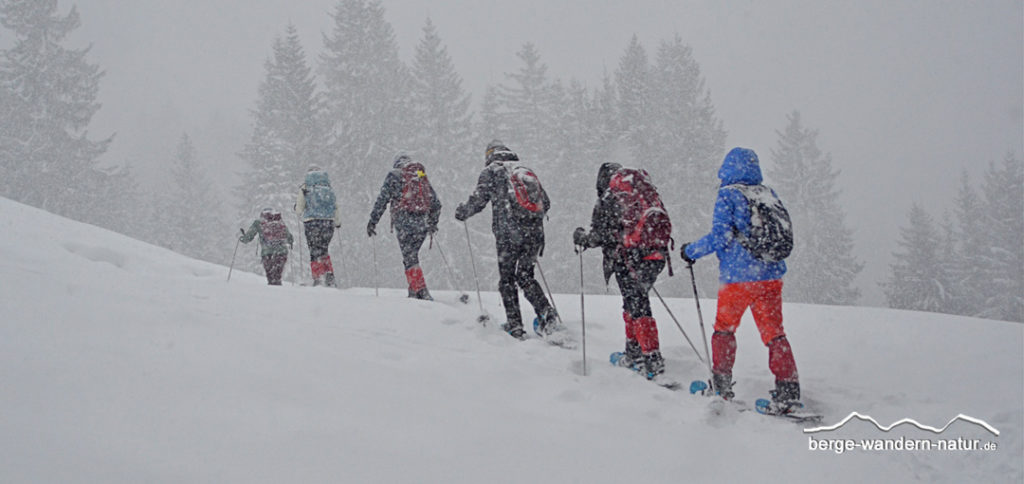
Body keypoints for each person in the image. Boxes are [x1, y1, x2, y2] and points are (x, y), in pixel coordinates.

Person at [680, 147, 801, 409]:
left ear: (727, 167)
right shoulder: (767, 193)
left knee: (724, 328)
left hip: (738, 278)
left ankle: (721, 386)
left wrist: (690, 251)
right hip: (771, 275)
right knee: (774, 333)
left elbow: (720, 237)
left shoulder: (728, 195)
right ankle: (788, 389)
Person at [574, 163, 670, 379]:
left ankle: (650, 357)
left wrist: (582, 238)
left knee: (636, 304)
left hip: (629, 258)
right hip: (655, 255)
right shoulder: (643, 193)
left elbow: (599, 236)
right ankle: (636, 350)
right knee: (636, 301)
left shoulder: (609, 197)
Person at [454, 140, 558, 340]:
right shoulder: (523, 170)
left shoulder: (492, 171)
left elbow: (479, 199)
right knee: (526, 276)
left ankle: (515, 325)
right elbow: (547, 203)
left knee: (507, 280)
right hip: (534, 234)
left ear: (489, 156)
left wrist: (463, 212)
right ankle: (547, 314)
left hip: (508, 236)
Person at [367, 153, 442, 300]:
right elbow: (436, 203)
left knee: (410, 257)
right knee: (411, 256)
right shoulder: (419, 175)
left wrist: (373, 221)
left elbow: (382, 200)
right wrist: (432, 223)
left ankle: (421, 290)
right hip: (422, 224)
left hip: (404, 222)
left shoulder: (394, 176)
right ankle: (414, 291)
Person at [295, 166, 342, 287]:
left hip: (312, 222)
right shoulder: (328, 187)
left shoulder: (306, 186)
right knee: (324, 249)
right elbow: (335, 206)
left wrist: (297, 209)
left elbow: (299, 208)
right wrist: (337, 222)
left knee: (314, 251)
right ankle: (329, 276)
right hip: (328, 223)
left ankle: (318, 278)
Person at [240, 208, 294, 285]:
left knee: (271, 277)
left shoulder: (259, 223)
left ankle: (271, 294)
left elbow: (248, 238)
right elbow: (289, 237)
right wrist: (289, 242)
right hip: (282, 253)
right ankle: (279, 292)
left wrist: (241, 238)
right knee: (277, 276)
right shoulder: (279, 222)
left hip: (267, 253)